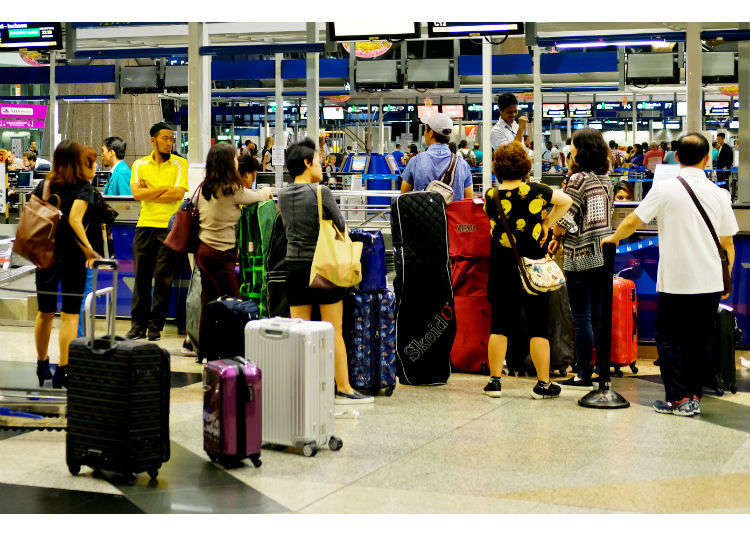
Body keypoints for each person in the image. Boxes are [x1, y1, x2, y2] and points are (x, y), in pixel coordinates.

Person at [602, 133, 738, 417]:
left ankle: (678, 399)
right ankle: (694, 396)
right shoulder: (720, 194)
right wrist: (727, 279)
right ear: (708, 157)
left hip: (676, 281)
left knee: (670, 338)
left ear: (675, 157)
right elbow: (728, 244)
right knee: (700, 339)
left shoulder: (664, 188)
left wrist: (613, 239)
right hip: (710, 280)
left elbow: (632, 221)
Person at [278, 138, 374, 405]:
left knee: (300, 332)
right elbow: (341, 224)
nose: (322, 166)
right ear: (307, 163)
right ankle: (343, 387)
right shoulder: (321, 192)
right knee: (333, 331)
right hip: (324, 268)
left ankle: (302, 388)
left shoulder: (283, 195)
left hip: (295, 267)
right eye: (319, 161)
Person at [482, 142, 573, 399]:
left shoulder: (492, 195)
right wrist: (546, 222)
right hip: (532, 266)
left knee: (499, 324)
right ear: (525, 167)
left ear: (497, 169)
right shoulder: (536, 190)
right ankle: (542, 384)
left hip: (500, 265)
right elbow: (566, 201)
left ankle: (495, 382)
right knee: (538, 325)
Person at [548, 129, 614, 389]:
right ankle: (600, 370)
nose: (571, 151)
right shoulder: (606, 179)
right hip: (604, 252)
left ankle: (583, 373)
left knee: (582, 316)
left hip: (581, 253)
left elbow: (567, 216)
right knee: (600, 315)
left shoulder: (577, 179)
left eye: (574, 147)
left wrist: (555, 233)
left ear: (582, 151)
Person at [196, 143, 273, 361]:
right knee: (235, 304)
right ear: (228, 163)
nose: (238, 161)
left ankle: (206, 352)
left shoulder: (205, 187)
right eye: (235, 158)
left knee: (209, 302)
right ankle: (236, 352)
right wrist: (267, 191)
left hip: (203, 251)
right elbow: (257, 196)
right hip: (221, 254)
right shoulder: (231, 190)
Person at [34, 142, 101, 389]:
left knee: (45, 313)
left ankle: (42, 364)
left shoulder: (45, 185)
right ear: (76, 162)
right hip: (73, 257)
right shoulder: (84, 188)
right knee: (70, 316)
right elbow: (74, 219)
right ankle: (63, 368)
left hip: (46, 255)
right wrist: (88, 248)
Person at [127, 122, 188, 341]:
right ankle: (137, 325)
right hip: (144, 226)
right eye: (165, 138)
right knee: (141, 278)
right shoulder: (139, 164)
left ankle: (156, 326)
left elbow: (178, 194)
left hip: (169, 228)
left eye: (172, 139)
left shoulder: (180, 164)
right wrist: (163, 189)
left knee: (164, 279)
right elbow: (136, 194)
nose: (169, 142)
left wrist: (149, 191)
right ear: (153, 140)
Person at [400, 113, 473, 202]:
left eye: (425, 130)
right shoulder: (462, 164)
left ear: (430, 133)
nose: (424, 133)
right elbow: (469, 199)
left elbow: (403, 197)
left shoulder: (415, 161)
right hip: (453, 216)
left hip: (423, 215)